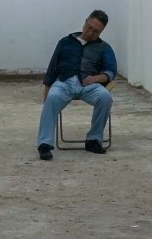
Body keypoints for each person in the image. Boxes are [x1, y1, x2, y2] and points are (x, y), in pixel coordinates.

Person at [36, 10, 117, 161]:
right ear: (85, 22)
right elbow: (52, 67)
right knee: (52, 99)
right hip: (63, 83)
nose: (90, 32)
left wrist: (97, 78)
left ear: (101, 32)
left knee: (105, 97)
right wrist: (47, 89)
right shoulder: (65, 42)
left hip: (89, 84)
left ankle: (93, 140)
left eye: (95, 31)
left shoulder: (104, 47)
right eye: (89, 27)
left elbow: (111, 71)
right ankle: (45, 144)